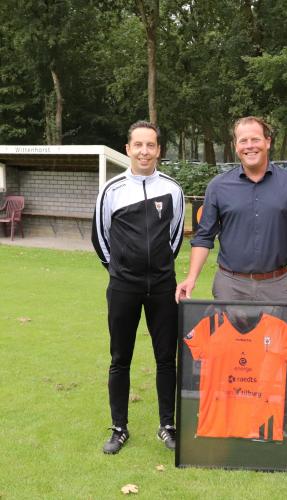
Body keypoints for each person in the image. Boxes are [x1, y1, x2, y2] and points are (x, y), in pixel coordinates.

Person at [92, 120, 185, 454]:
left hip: (162, 287)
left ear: (158, 150)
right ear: (128, 149)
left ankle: (167, 426)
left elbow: (175, 238)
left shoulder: (173, 189)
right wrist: (120, 271)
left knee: (166, 358)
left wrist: (157, 270)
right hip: (123, 287)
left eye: (151, 145)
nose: (144, 151)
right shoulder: (111, 190)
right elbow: (100, 237)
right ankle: (119, 428)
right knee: (120, 358)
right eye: (138, 145)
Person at [175, 116, 287, 304]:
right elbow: (204, 237)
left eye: (255, 139)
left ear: (267, 142)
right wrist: (191, 278)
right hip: (230, 286)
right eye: (243, 141)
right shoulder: (218, 186)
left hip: (277, 286)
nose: (249, 146)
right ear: (236, 146)